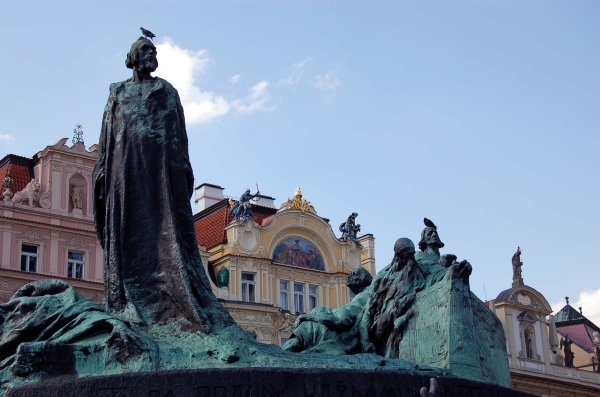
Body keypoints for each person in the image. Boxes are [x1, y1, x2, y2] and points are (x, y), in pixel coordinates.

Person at [92, 37, 234, 332]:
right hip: (126, 168)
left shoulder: (166, 90)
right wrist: (103, 170)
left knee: (164, 230)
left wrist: (181, 165)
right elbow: (107, 135)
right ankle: (128, 298)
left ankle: (168, 305)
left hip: (161, 171)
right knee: (127, 229)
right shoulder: (117, 92)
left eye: (154, 51)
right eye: (145, 50)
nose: (151, 54)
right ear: (132, 57)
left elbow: (179, 133)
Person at [282, 267, 373, 354]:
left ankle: (286, 351)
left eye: (354, 274)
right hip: (330, 322)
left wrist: (306, 317)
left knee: (307, 326)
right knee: (311, 319)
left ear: (362, 278)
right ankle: (287, 350)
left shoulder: (366, 295)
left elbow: (342, 321)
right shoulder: (358, 299)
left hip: (332, 327)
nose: (349, 276)